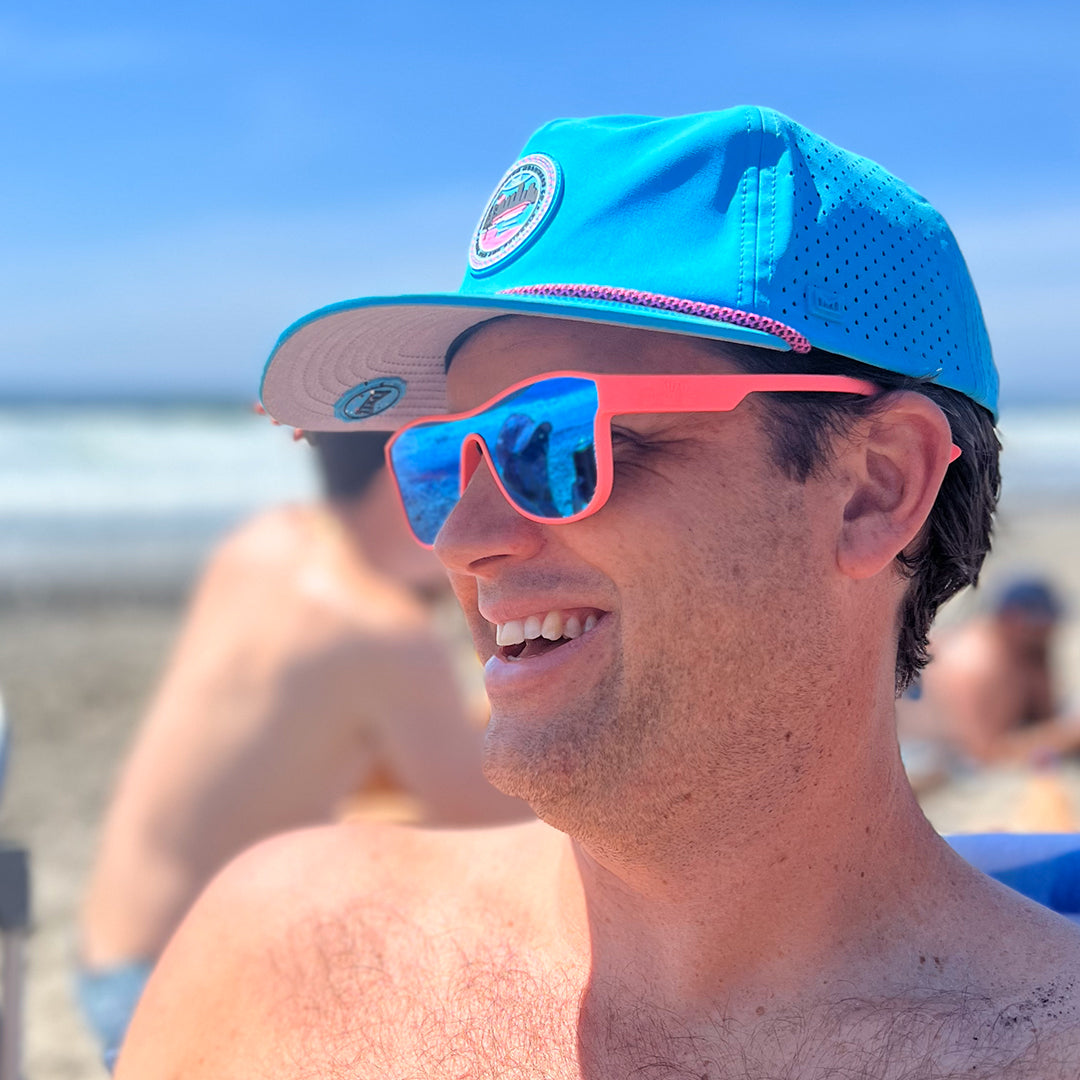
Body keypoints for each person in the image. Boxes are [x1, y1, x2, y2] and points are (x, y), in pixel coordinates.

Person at [117, 108, 1080, 1077]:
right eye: (442, 460)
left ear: (876, 488)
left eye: (559, 442)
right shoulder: (284, 959)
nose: (461, 541)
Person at [80, 430, 530, 1070]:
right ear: (397, 488)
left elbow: (297, 735)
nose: (467, 526)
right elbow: (488, 810)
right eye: (442, 481)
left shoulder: (265, 543)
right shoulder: (378, 630)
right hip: (182, 977)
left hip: (112, 940)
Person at [899, 576, 1080, 768]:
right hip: (935, 757)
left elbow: (1044, 715)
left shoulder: (1028, 651)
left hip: (986, 748)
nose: (1050, 630)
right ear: (1015, 619)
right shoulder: (974, 665)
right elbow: (986, 755)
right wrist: (1067, 735)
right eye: (1042, 623)